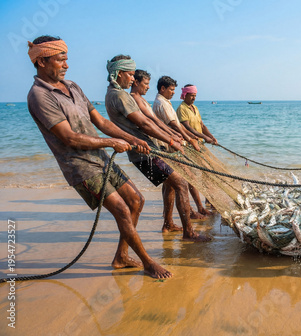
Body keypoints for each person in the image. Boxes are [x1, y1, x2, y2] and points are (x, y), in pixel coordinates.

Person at [26, 35, 171, 279]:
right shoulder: (39, 96)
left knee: (137, 201)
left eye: (66, 59)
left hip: (101, 158)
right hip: (80, 167)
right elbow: (69, 138)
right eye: (61, 60)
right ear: (41, 61)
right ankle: (148, 262)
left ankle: (121, 257)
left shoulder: (73, 86)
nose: (66, 65)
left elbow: (101, 121)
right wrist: (113, 142)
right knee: (123, 211)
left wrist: (133, 140)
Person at [104, 55, 210, 241]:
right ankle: (189, 232)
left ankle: (168, 223)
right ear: (119, 73)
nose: (131, 78)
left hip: (145, 150)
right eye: (129, 74)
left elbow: (149, 121)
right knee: (181, 184)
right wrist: (171, 140)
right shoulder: (121, 96)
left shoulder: (115, 94)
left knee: (172, 185)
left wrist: (171, 137)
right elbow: (145, 123)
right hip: (144, 153)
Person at [152, 76, 212, 219]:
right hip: (169, 147)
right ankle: (190, 214)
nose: (173, 92)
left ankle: (169, 221)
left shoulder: (166, 102)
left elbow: (199, 125)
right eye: (171, 90)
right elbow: (176, 125)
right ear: (163, 89)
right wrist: (190, 139)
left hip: (174, 146)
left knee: (171, 185)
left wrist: (207, 137)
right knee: (183, 181)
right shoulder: (163, 103)